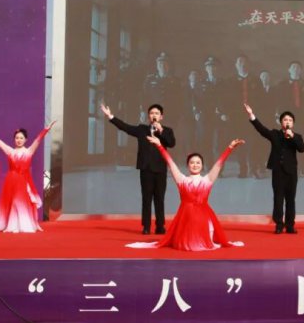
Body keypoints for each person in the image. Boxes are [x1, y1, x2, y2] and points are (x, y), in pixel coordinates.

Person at [126, 137, 246, 251]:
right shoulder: (182, 180)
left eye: (198, 163)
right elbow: (170, 163)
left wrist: (230, 148)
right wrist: (159, 146)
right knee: (186, 246)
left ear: (202, 165)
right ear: (188, 165)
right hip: (185, 218)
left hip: (204, 218)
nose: (195, 165)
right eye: (192, 162)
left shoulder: (207, 179)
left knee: (201, 244)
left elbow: (219, 164)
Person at [101, 103, 176, 234]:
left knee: (159, 199)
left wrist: (161, 130)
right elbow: (125, 127)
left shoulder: (167, 131)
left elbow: (171, 143)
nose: (154, 115)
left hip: (160, 170)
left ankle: (160, 226)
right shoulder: (142, 129)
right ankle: (146, 226)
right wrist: (110, 116)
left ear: (161, 117)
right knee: (146, 199)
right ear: (148, 116)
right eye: (151, 113)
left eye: (156, 113)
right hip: (145, 169)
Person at [0, 119, 55, 233]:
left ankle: (22, 225)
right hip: (11, 181)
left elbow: (38, 139)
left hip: (23, 181)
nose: (19, 140)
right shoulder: (10, 151)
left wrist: (46, 129)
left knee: (20, 202)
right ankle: (12, 225)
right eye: (17, 138)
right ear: (14, 139)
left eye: (21, 138)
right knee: (12, 202)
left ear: (26, 140)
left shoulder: (29, 151)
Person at [243, 102, 304, 234]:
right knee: (278, 198)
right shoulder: (275, 134)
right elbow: (262, 130)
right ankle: (279, 224)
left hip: (291, 173)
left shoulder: (297, 136)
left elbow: (302, 148)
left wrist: (292, 136)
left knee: (290, 200)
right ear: (281, 122)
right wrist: (251, 115)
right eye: (285, 120)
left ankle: (290, 225)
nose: (287, 122)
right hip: (278, 172)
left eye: (290, 120)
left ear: (293, 124)